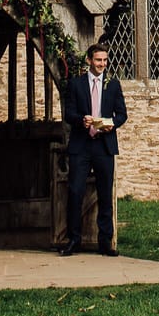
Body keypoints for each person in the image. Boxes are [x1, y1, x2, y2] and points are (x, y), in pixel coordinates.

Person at [59, 42, 129, 256]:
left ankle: (105, 242)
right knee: (75, 192)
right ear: (89, 60)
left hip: (104, 145)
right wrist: (82, 119)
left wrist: (110, 123)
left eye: (105, 60)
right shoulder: (76, 84)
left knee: (105, 194)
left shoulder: (113, 85)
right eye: (98, 60)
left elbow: (122, 114)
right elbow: (68, 113)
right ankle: (74, 240)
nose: (102, 64)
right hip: (81, 145)